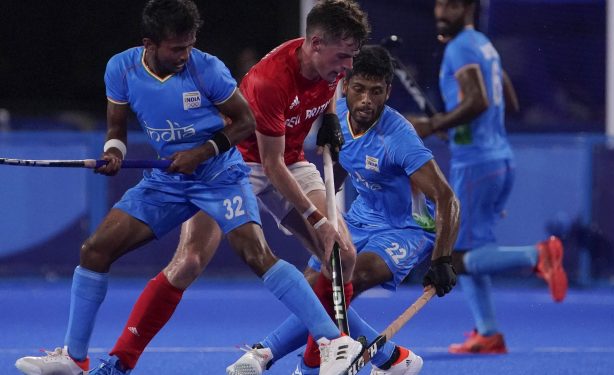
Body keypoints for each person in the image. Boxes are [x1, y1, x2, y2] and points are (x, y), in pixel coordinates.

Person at [14, 1, 361, 375]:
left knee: (257, 253)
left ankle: (333, 342)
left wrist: (202, 151)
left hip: (220, 173)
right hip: (169, 180)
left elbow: (244, 122)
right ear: (149, 43)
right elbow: (116, 132)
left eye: (190, 45)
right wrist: (112, 154)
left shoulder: (207, 68)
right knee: (95, 250)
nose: (185, 55)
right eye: (177, 48)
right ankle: (74, 357)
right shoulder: (121, 69)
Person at [225, 45, 459, 375]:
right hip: (361, 216)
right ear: (345, 86)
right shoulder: (339, 124)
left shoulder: (399, 138)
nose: (366, 100)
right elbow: (346, 166)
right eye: (359, 89)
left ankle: (280, 357)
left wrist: (442, 259)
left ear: (388, 92)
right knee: (314, 284)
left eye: (376, 92)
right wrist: (313, 204)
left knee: (352, 278)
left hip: (406, 227)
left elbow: (448, 199)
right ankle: (392, 358)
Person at [408, 0, 568, 354]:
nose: (439, 12)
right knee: (472, 249)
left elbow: (479, 100)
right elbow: (506, 101)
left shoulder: (459, 47)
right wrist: (460, 126)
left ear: (467, 8)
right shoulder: (483, 45)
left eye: (449, 6)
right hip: (498, 158)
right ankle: (489, 332)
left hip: (477, 164)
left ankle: (537, 256)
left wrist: (434, 124)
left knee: (457, 257)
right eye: (437, 4)